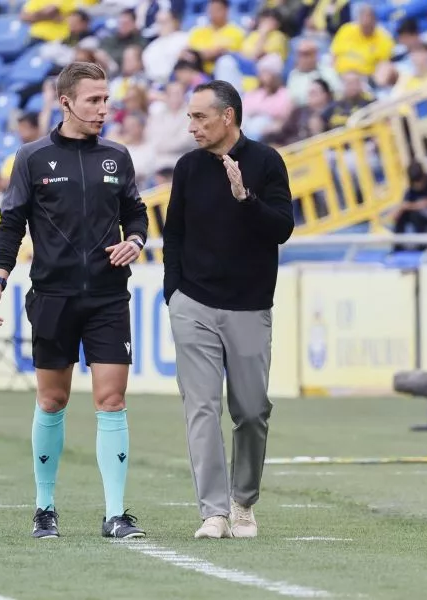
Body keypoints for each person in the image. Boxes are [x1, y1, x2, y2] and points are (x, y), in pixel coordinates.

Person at [0, 62, 149, 540]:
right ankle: (44, 508)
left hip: (108, 297)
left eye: (106, 99)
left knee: (112, 400)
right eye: (94, 100)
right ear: (66, 102)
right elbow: (11, 223)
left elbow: (137, 213)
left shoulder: (117, 156)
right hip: (53, 296)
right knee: (52, 399)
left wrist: (135, 241)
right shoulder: (32, 158)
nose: (103, 108)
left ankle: (115, 514)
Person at [163, 80, 294, 539]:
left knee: (252, 411)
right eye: (190, 117)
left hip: (249, 306)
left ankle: (243, 503)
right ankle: (214, 512)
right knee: (201, 408)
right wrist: (173, 293)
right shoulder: (187, 167)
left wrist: (246, 200)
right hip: (193, 303)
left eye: (200, 117)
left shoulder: (267, 162)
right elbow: (174, 233)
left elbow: (282, 229)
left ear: (228, 116)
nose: (192, 126)